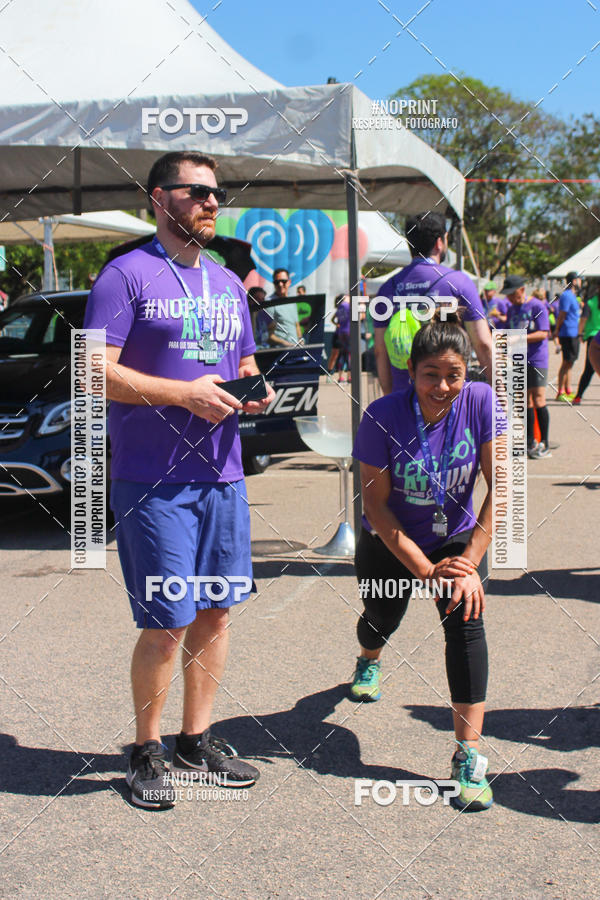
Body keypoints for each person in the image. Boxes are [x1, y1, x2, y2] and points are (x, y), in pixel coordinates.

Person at [83, 151, 274, 810]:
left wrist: (255, 389)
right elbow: (92, 373)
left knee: (216, 613)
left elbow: (241, 357)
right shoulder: (123, 276)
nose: (211, 203)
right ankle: (147, 748)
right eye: (197, 193)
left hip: (222, 476)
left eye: (216, 193)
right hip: (152, 480)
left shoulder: (225, 282)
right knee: (168, 620)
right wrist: (181, 395)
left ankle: (197, 739)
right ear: (159, 200)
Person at [350, 310, 504, 810]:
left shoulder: (481, 402)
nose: (442, 386)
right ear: (410, 372)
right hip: (390, 539)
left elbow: (500, 487)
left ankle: (467, 753)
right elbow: (374, 504)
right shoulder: (381, 416)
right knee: (381, 617)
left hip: (455, 540)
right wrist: (422, 570)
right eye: (430, 375)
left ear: (467, 374)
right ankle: (369, 658)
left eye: (453, 374)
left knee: (465, 618)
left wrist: (467, 562)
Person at [374, 212, 493, 395]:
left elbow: (380, 351)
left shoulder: (387, 288)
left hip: (404, 398)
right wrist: (503, 398)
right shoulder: (459, 283)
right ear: (439, 242)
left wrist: (391, 400)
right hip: (449, 396)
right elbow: (483, 344)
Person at [504, 275, 551, 459]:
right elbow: (509, 331)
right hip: (518, 359)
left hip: (537, 359)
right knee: (524, 401)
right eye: (507, 295)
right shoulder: (512, 309)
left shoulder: (537, 306)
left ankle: (545, 443)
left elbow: (543, 333)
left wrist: (520, 337)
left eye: (512, 294)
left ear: (522, 290)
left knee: (538, 398)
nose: (509, 298)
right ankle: (529, 441)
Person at [555, 271, 582, 400]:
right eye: (579, 279)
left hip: (574, 332)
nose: (581, 282)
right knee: (566, 362)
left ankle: (568, 389)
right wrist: (556, 331)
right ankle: (560, 391)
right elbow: (562, 315)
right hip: (567, 333)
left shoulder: (573, 295)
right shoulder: (566, 295)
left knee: (570, 362)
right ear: (574, 281)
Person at [573, 284, 600, 404]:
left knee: (589, 369)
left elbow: (583, 319)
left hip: (593, 337)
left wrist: (579, 333)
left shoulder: (591, 302)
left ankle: (578, 396)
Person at [267, 268, 302, 347]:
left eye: (283, 281)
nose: (280, 284)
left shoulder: (292, 302)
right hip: (279, 351)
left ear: (289, 282)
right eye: (277, 282)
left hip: (295, 349)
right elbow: (269, 335)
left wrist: (300, 339)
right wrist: (286, 344)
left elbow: (296, 325)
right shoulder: (269, 304)